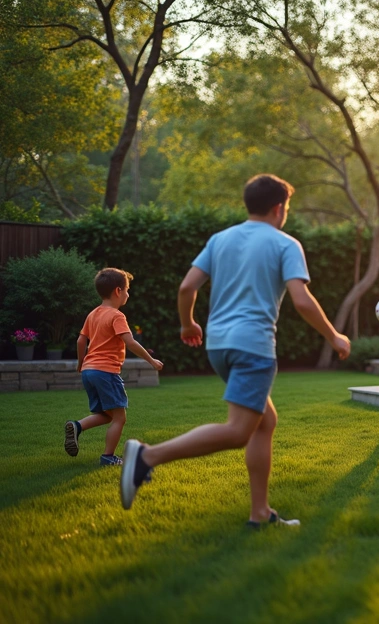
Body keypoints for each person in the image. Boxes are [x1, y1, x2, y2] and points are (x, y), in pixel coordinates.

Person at [119, 174, 351, 527]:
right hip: (253, 346)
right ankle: (147, 456)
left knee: (264, 423)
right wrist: (334, 336)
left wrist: (187, 324)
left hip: (218, 345)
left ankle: (260, 513)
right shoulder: (285, 244)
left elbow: (186, 287)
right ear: (279, 208)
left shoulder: (220, 239)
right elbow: (302, 301)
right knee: (239, 430)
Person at [64, 268, 163, 466]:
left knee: (106, 415)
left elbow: (80, 340)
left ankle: (77, 426)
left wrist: (81, 363)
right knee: (120, 417)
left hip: (89, 371)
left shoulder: (93, 314)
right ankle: (108, 457)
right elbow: (130, 342)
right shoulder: (117, 316)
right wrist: (151, 361)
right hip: (105, 372)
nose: (128, 294)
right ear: (118, 291)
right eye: (127, 290)